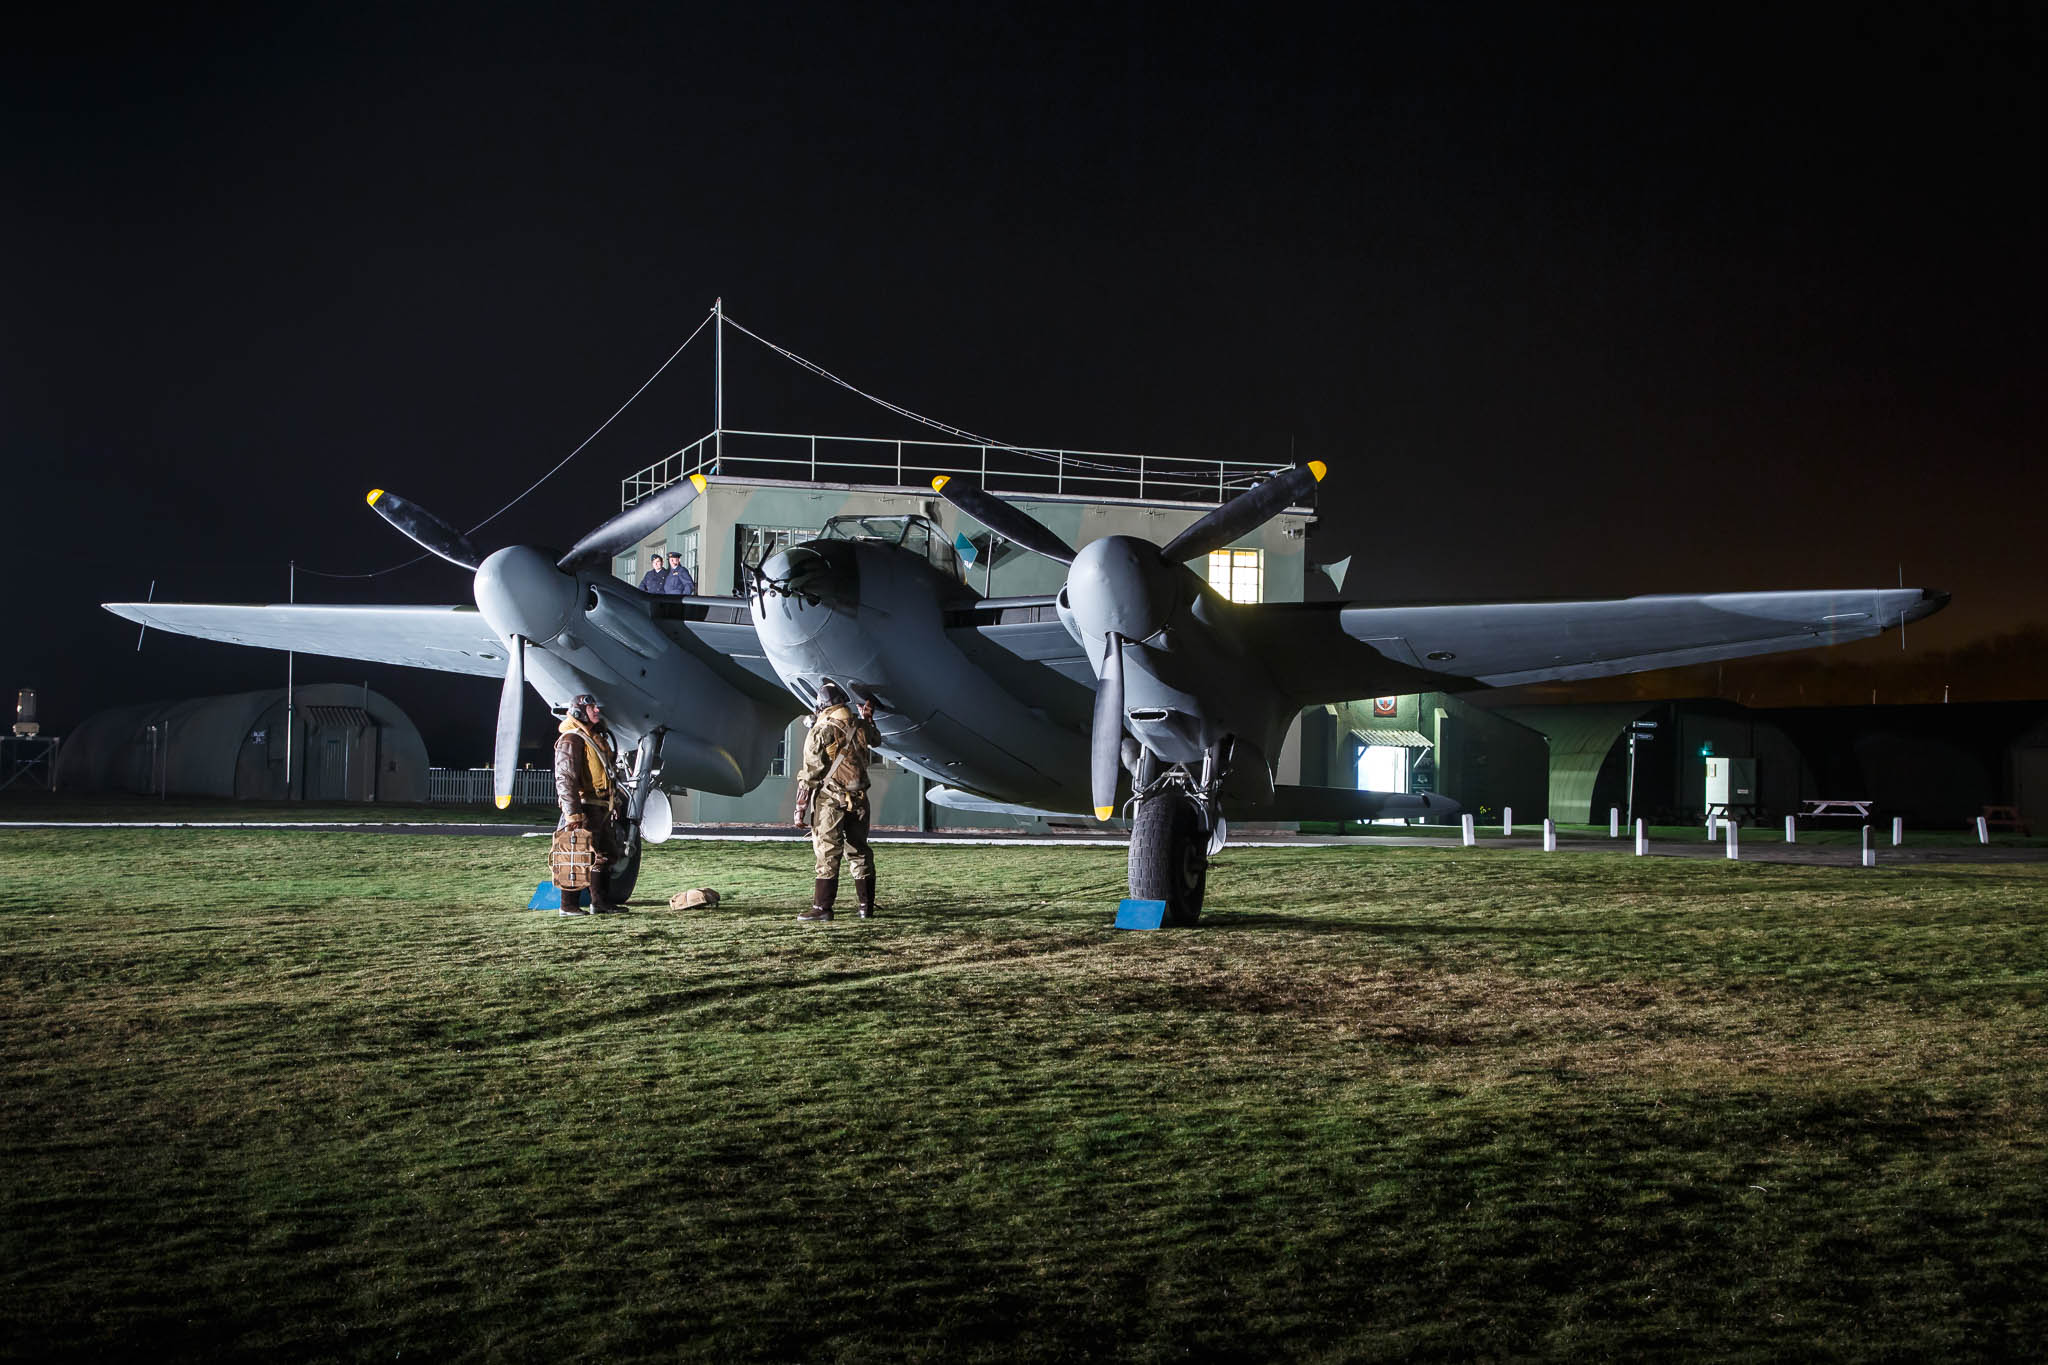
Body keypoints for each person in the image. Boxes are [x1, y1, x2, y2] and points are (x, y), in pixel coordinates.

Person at [793, 680, 881, 922]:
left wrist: (800, 808)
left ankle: (823, 909)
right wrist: (867, 717)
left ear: (822, 706)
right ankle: (866, 906)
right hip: (860, 799)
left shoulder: (821, 731)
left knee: (827, 852)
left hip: (831, 801)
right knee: (860, 851)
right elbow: (877, 739)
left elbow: (810, 772)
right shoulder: (860, 725)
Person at [554, 693, 623, 914]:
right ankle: (568, 906)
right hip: (584, 807)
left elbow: (607, 773)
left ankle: (600, 903)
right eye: (592, 708)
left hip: (601, 806)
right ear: (578, 712)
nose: (597, 711)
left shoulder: (594, 739)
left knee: (603, 855)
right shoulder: (572, 739)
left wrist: (614, 802)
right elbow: (565, 778)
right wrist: (573, 814)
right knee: (577, 854)